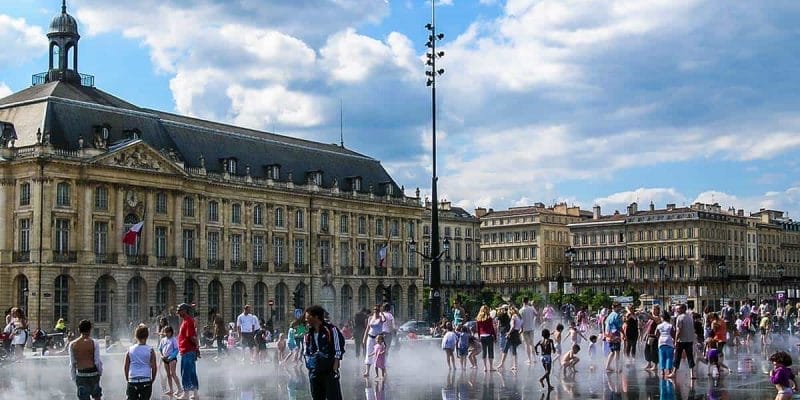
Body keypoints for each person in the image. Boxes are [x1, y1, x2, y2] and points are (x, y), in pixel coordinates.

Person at [303, 304, 344, 400]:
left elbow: (338, 351)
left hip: (329, 371)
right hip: (314, 372)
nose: (306, 320)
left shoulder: (331, 330)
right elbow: (306, 351)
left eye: (308, 317)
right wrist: (309, 366)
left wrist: (334, 369)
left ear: (316, 317)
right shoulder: (308, 333)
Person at [69, 319, 103, 400]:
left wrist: (74, 378)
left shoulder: (73, 344)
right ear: (90, 329)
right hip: (93, 373)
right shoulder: (94, 343)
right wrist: (100, 372)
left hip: (81, 374)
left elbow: (72, 363)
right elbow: (97, 361)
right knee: (97, 397)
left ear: (79, 330)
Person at [124, 325, 157, 400]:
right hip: (146, 379)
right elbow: (154, 367)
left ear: (136, 336)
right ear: (147, 336)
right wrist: (152, 379)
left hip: (133, 379)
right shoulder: (150, 350)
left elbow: (126, 367)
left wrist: (128, 379)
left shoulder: (130, 350)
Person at [176, 303, 200, 400]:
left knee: (185, 372)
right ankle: (195, 393)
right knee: (192, 372)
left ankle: (186, 394)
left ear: (184, 310)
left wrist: (197, 347)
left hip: (187, 351)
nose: (178, 312)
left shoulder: (188, 321)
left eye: (179, 310)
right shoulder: (186, 321)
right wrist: (196, 349)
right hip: (189, 350)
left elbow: (192, 337)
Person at [673, 303, 696, 379]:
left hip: (681, 340)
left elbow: (678, 330)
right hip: (689, 340)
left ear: (683, 309)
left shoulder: (680, 318)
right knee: (690, 357)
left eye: (678, 309)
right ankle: (692, 374)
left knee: (677, 356)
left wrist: (676, 340)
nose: (677, 310)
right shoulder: (690, 317)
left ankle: (674, 372)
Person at [496, 306, 523, 371]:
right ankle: (515, 365)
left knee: (505, 349)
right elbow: (522, 328)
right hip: (516, 334)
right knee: (514, 350)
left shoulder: (513, 317)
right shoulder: (519, 317)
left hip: (512, 334)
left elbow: (513, 326)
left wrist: (508, 333)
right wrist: (518, 333)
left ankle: (501, 363)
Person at [363, 305, 386, 377]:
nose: (375, 311)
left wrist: (382, 313)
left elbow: (384, 320)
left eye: (377, 310)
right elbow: (367, 328)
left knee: (379, 355)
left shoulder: (381, 318)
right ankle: (367, 371)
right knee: (369, 353)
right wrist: (364, 338)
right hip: (370, 337)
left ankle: (383, 371)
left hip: (378, 339)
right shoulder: (370, 318)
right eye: (374, 309)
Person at [159, 326, 182, 397]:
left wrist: (171, 357)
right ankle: (171, 389)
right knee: (168, 374)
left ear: (171, 332)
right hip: (165, 358)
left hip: (172, 359)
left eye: (168, 332)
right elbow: (160, 349)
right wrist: (162, 355)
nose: (167, 333)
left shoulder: (173, 339)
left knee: (173, 374)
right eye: (166, 332)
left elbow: (176, 350)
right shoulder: (163, 340)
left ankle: (179, 388)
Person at [475, 305, 496, 372]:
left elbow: (478, 329)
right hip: (489, 336)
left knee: (484, 352)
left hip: (482, 336)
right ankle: (491, 367)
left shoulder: (478, 319)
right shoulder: (489, 318)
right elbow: (492, 328)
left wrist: (479, 337)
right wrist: (495, 336)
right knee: (490, 351)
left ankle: (485, 367)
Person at [604, 302, 623, 373]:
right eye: (619, 307)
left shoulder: (609, 315)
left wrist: (606, 335)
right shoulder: (617, 315)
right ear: (615, 307)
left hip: (609, 335)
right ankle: (617, 368)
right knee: (617, 352)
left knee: (612, 352)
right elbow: (619, 326)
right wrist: (623, 334)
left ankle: (607, 366)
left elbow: (605, 324)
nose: (620, 308)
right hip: (615, 335)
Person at [656, 310, 675, 379]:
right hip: (669, 341)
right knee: (669, 357)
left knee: (661, 356)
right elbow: (673, 334)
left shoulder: (659, 325)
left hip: (661, 341)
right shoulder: (670, 325)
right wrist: (674, 340)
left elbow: (656, 333)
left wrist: (659, 338)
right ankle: (669, 370)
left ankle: (662, 371)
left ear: (662, 318)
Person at [519, 297, 537, 364]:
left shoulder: (521, 310)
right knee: (532, 343)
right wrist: (532, 305)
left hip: (524, 329)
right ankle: (534, 358)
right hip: (531, 328)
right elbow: (536, 314)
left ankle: (529, 359)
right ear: (528, 301)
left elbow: (520, 321)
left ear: (522, 301)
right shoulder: (531, 308)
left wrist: (520, 329)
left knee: (527, 345)